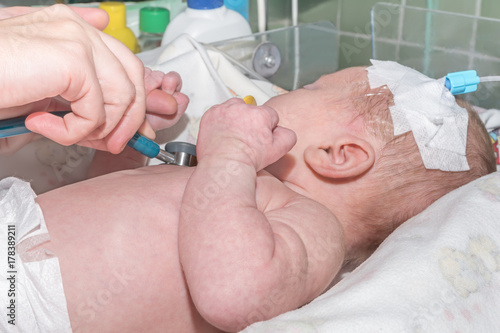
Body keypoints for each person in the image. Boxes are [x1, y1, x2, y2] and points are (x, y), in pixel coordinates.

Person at [17, 65, 494, 333]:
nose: (278, 93)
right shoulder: (233, 181)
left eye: (306, 87)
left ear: (338, 155)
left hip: (25, 303)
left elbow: (232, 296)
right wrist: (124, 144)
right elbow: (107, 204)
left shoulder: (311, 226)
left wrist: (234, 153)